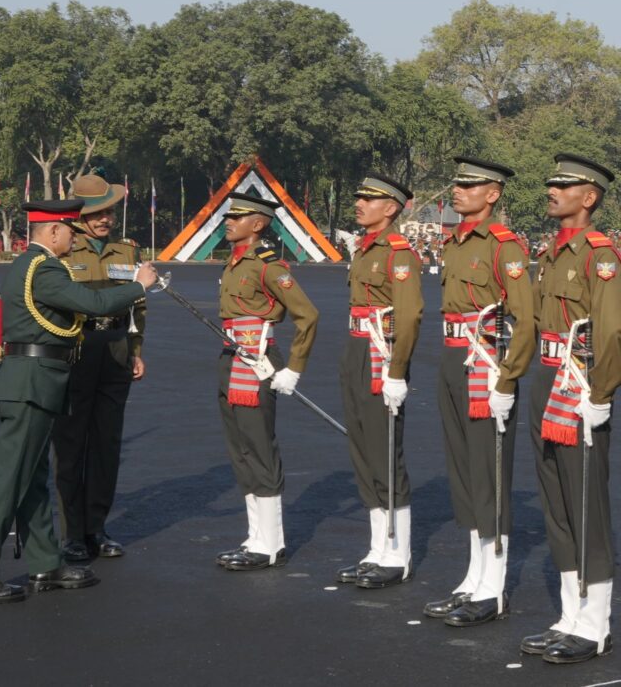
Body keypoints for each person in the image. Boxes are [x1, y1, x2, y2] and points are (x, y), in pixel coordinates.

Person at [0, 199, 157, 605]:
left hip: (37, 381)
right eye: (69, 231)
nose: (73, 237)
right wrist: (139, 285)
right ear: (52, 233)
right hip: (31, 381)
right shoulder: (43, 268)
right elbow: (95, 304)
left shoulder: (29, 266)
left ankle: (44, 563)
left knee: (31, 481)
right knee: (8, 481)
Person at [424, 157, 535, 627]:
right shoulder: (454, 241)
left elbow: (525, 319)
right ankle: (473, 576)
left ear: (492, 194)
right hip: (453, 358)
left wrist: (507, 379)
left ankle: (493, 586)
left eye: (469, 186)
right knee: (465, 471)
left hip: (486, 362)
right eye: (457, 185)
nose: (458, 191)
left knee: (488, 473)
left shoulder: (503, 247)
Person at [521, 154, 619, 664]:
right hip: (546, 377)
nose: (552, 190)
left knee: (586, 507)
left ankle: (595, 622)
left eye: (564, 184)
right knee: (556, 502)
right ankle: (568, 614)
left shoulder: (598, 255)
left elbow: (611, 330)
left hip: (579, 387)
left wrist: (600, 396)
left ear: (590, 197)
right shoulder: (552, 252)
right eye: (551, 182)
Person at [215, 192, 318, 571]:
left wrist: (293, 367)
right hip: (232, 358)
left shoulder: (267, 267)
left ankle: (271, 543)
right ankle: (254, 536)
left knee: (259, 446)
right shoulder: (234, 262)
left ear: (257, 224)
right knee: (240, 447)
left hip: (257, 362)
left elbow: (307, 315)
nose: (228, 222)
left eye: (236, 217)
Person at [53, 174, 147, 561]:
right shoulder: (62, 251)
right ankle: (72, 533)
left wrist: (136, 349)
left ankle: (97, 527)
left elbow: (137, 307)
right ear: (78, 216)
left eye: (108, 211)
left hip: (115, 350)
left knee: (107, 444)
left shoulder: (126, 251)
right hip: (74, 349)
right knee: (71, 443)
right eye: (96, 213)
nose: (104, 219)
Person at [337, 173, 422, 588]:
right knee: (363, 451)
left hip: (380, 355)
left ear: (390, 208)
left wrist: (397, 372)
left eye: (368, 198)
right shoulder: (364, 248)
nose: (359, 202)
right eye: (360, 196)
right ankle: (376, 548)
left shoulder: (398, 253)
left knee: (386, 454)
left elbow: (407, 316)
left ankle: (398, 553)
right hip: (356, 351)